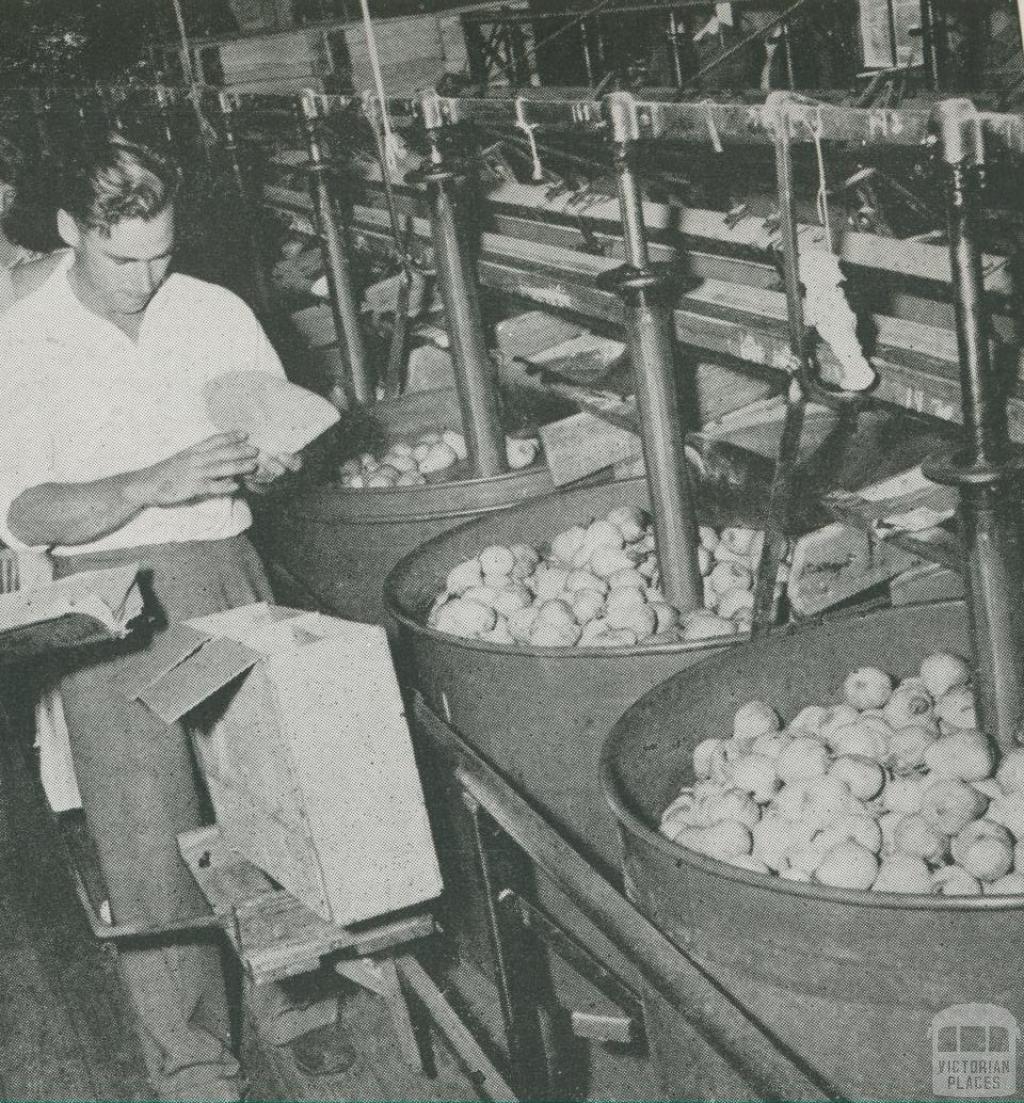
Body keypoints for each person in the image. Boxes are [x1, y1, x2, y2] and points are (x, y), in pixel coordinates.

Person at [0, 135, 304, 1102]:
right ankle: (197, 1069)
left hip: (226, 574)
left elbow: (266, 437)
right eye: (121, 258)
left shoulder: (214, 310)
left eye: (161, 254)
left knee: (273, 808)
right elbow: (24, 511)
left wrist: (274, 459)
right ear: (67, 232)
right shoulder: (23, 337)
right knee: (149, 843)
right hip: (111, 605)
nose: (145, 279)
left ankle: (301, 1007)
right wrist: (150, 481)